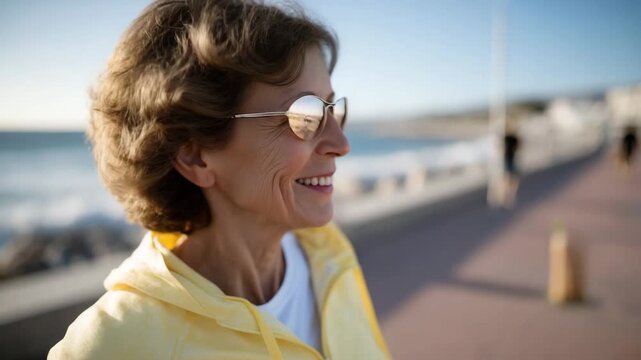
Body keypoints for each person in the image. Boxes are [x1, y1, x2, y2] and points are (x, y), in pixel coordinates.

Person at [48, 1, 390, 359]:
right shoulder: (113, 346)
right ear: (194, 154)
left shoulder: (328, 254)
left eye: (332, 109)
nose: (341, 144)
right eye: (305, 115)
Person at [502, 127, 520, 208]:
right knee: (511, 179)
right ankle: (509, 197)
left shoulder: (508, 138)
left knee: (509, 179)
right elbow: (518, 147)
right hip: (510, 160)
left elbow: (500, 148)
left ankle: (508, 196)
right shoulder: (510, 138)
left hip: (509, 160)